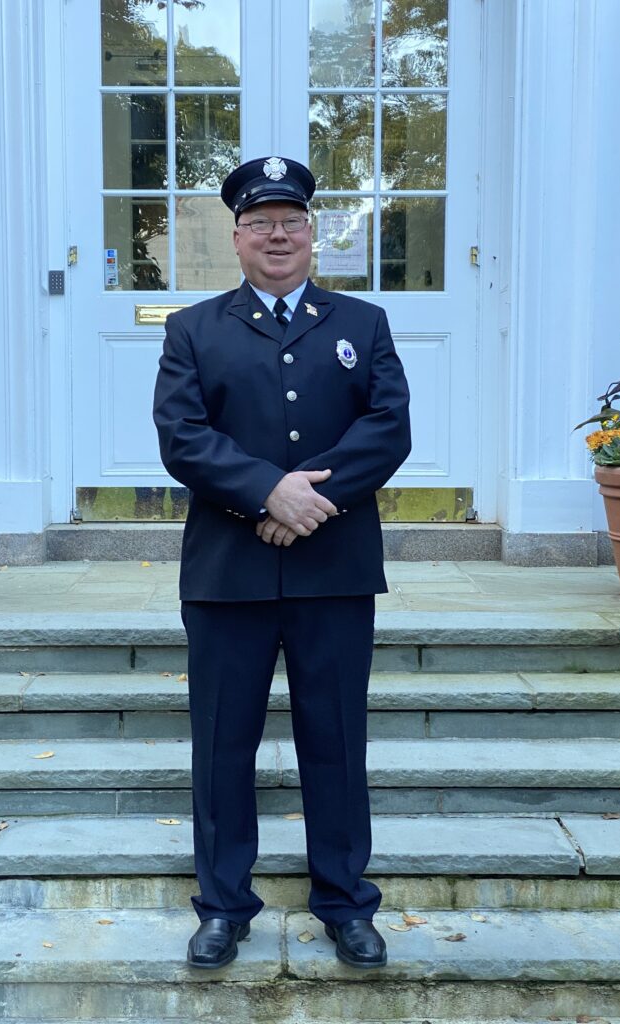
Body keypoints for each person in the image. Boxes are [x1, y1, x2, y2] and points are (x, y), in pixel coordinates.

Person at [153, 156, 411, 970]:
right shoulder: (192, 328)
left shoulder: (362, 323)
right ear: (236, 237)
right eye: (260, 222)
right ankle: (224, 905)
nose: (277, 234)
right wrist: (268, 494)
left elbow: (387, 429)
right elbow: (183, 438)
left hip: (333, 572)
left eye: (291, 221)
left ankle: (345, 903)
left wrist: (308, 503)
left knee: (335, 741)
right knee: (222, 745)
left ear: (312, 234)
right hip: (228, 575)